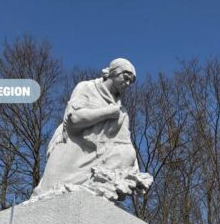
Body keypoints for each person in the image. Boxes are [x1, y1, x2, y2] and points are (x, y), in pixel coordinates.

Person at [32, 58, 152, 200]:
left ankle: (94, 187)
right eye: (126, 78)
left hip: (101, 156)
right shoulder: (86, 88)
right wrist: (107, 112)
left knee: (127, 153)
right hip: (74, 144)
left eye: (130, 82)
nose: (127, 84)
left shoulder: (122, 112)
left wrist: (134, 171)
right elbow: (75, 119)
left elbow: (125, 143)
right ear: (114, 72)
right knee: (47, 194)